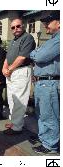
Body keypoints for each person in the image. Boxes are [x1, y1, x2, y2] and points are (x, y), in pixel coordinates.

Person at [30, 11, 60, 154]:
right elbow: (37, 54)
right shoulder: (53, 39)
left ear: (59, 22)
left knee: (49, 115)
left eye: (49, 22)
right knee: (42, 114)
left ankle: (50, 145)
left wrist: (35, 53)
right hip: (43, 83)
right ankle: (45, 138)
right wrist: (36, 53)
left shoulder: (59, 39)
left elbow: (40, 56)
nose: (45, 25)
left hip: (50, 82)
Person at [2, 18, 36, 135]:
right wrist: (4, 68)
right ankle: (14, 122)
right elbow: (7, 57)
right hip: (12, 72)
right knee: (11, 99)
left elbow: (22, 58)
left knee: (19, 100)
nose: (15, 29)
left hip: (21, 71)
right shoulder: (13, 40)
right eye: (13, 27)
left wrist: (9, 69)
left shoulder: (28, 38)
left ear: (23, 26)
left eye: (18, 26)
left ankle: (17, 127)